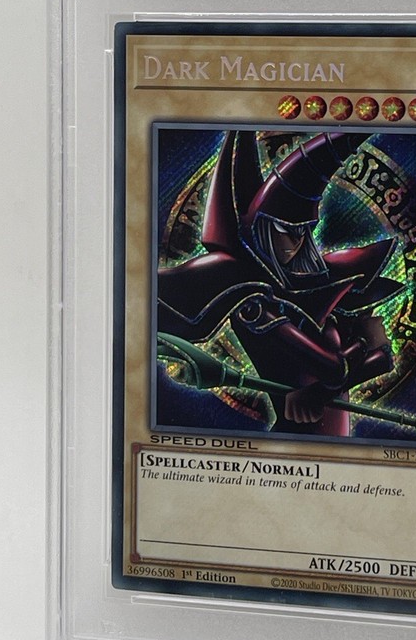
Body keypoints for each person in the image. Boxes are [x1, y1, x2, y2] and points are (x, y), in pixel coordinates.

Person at [157, 130, 402, 435]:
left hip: (333, 439)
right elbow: (331, 367)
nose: (297, 242)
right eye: (285, 230)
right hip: (296, 435)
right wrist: (356, 353)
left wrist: (321, 391)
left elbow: (383, 358)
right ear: (262, 231)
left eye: (303, 231)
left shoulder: (327, 282)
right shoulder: (252, 300)